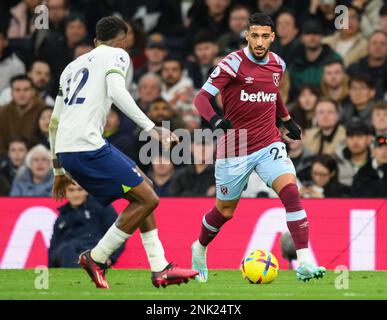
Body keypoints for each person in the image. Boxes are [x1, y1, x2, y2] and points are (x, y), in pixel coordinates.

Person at [48, 16, 197, 289]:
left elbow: (54, 122)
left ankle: (160, 267)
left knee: (144, 190)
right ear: (124, 41)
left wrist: (58, 170)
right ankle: (97, 257)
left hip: (69, 150)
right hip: (88, 146)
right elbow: (117, 92)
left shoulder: (71, 67)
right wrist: (153, 128)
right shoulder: (117, 55)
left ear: (95, 41)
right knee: (149, 199)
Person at [190, 12, 325, 283]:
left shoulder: (278, 64)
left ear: (273, 37)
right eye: (255, 36)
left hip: (268, 142)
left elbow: (273, 93)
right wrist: (215, 119)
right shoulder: (231, 64)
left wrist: (286, 120)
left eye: (265, 36)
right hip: (235, 147)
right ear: (247, 36)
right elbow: (201, 97)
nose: (260, 41)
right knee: (225, 211)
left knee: (291, 193)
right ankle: (200, 247)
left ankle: (304, 262)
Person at [49, 182, 124, 268]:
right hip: (67, 255)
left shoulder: (101, 207)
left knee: (88, 254)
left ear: (86, 191)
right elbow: (54, 246)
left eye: (80, 189)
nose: (76, 194)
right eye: (71, 190)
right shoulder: (62, 216)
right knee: (66, 249)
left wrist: (110, 259)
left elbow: (119, 232)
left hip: (93, 251)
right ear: (65, 192)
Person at [0, 75, 46, 154]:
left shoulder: (45, 111)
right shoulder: (2, 113)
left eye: (26, 89)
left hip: (39, 159)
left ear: (33, 92)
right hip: (7, 161)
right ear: (11, 93)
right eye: (17, 90)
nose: (21, 94)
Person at [335, 122, 372, 187]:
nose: (355, 141)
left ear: (369, 139)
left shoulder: (378, 162)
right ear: (346, 139)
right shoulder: (336, 163)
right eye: (351, 136)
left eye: (359, 136)